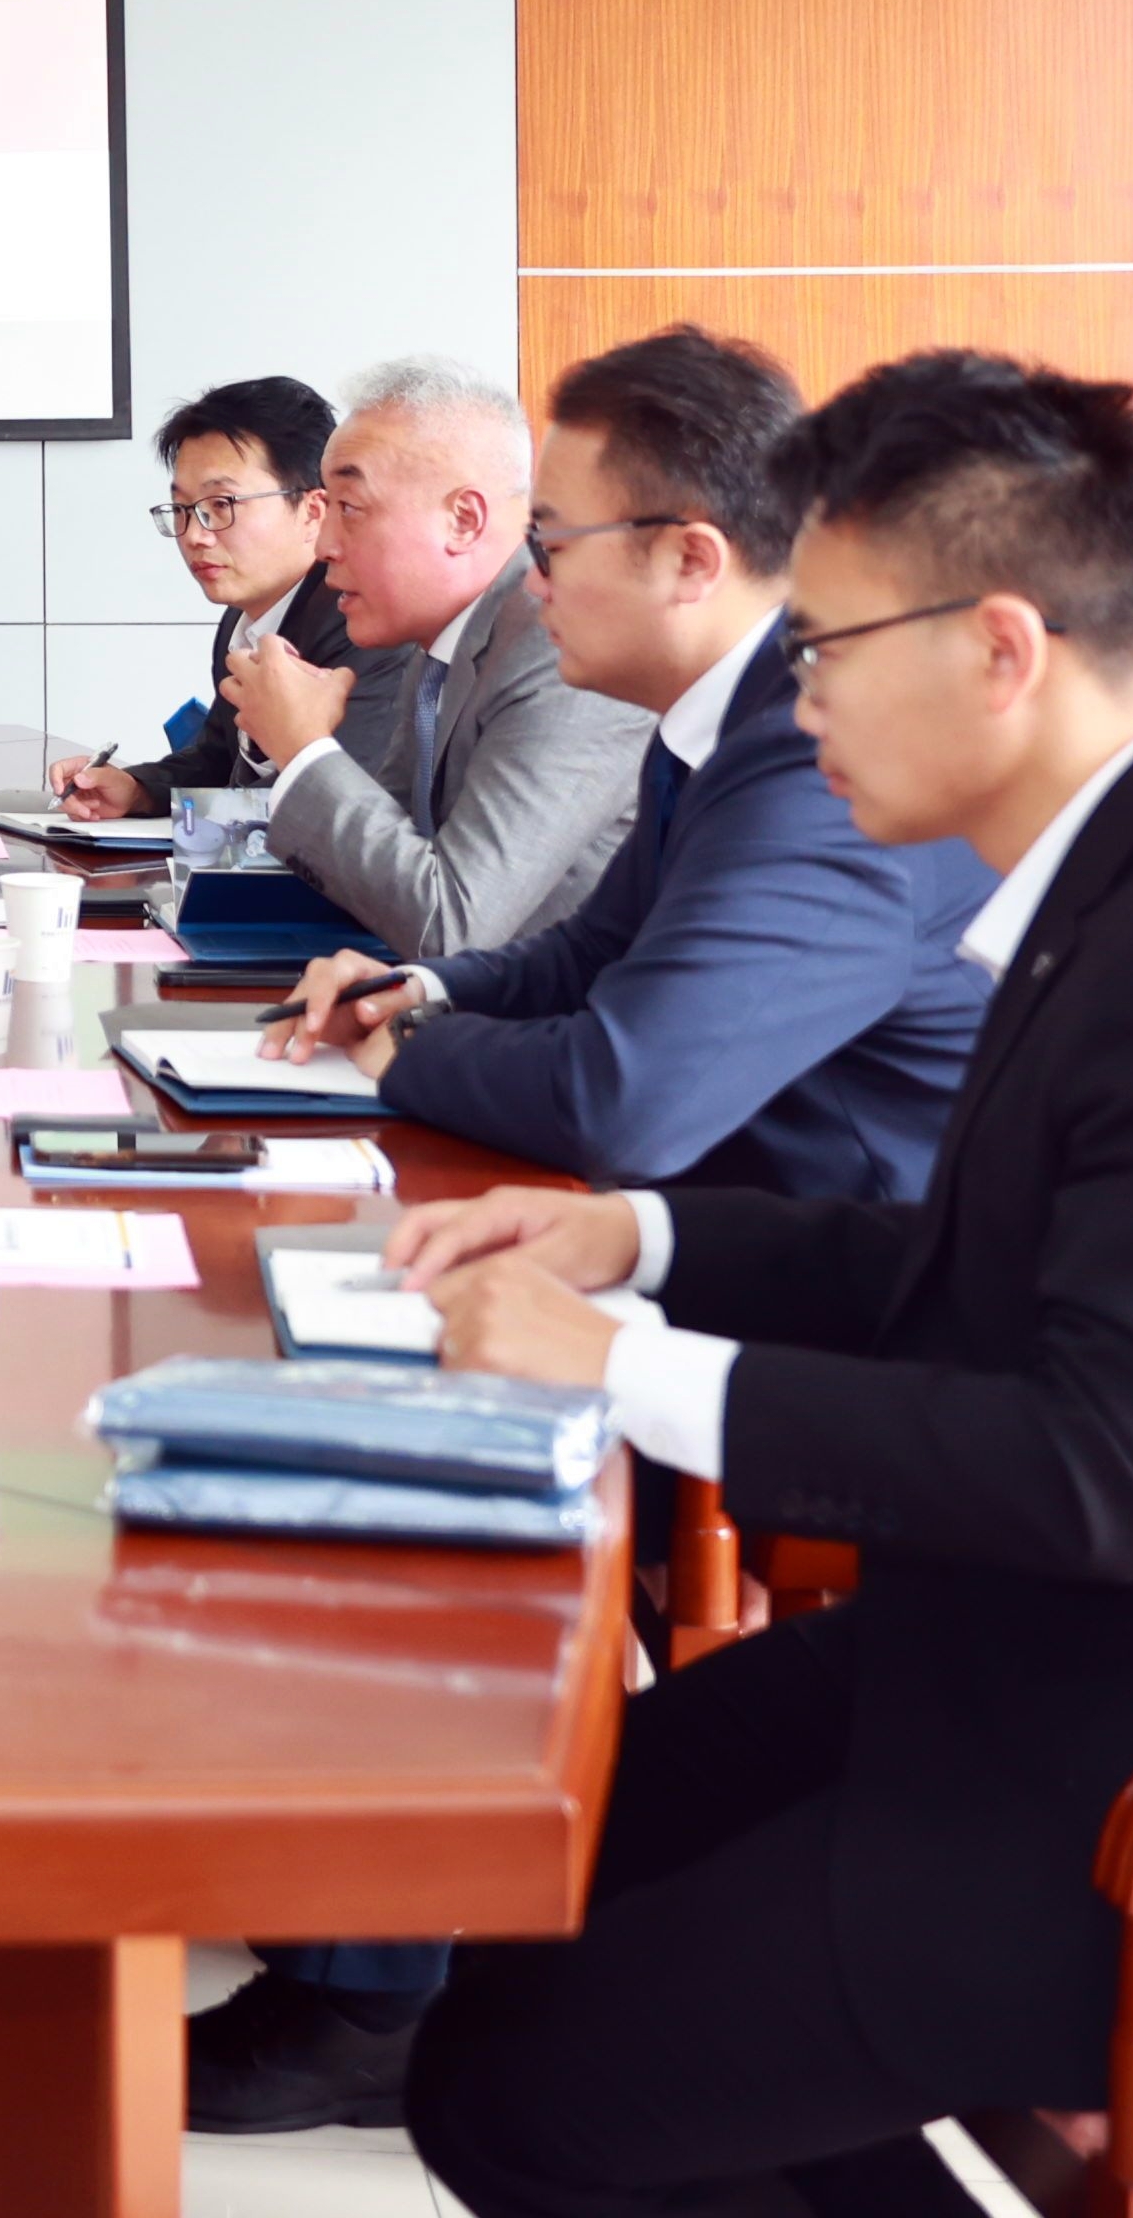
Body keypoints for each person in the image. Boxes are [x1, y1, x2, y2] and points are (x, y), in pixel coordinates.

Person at [392, 352, 1133, 2218]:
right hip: (1070, 1655)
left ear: (1000, 647)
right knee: (549, 1861)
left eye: (824, 645)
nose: (794, 695)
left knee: (517, 2093)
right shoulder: (1129, 868)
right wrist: (643, 1240)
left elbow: (1110, 1471)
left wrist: (613, 1367)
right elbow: (985, 1264)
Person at [177, 328, 997, 2130]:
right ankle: (350, 1874)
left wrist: (409, 1047)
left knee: (403, 1375)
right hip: (746, 1220)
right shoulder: (727, 733)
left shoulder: (816, 751)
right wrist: (423, 990)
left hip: (863, 1280)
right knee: (346, 1305)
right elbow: (582, 959)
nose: (528, 579)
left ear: (691, 555)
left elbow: (627, 1096)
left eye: (550, 540)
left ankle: (374, 1990)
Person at [248, 358, 649, 959]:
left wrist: (304, 746)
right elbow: (387, 865)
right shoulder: (442, 646)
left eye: (349, 507)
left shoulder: (560, 645)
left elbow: (450, 921)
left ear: (463, 520)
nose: (324, 544)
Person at [51, 374, 395, 814]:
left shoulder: (365, 630)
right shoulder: (243, 621)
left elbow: (335, 812)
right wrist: (137, 789)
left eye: (222, 505)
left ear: (313, 511)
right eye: (183, 509)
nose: (195, 535)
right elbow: (219, 760)